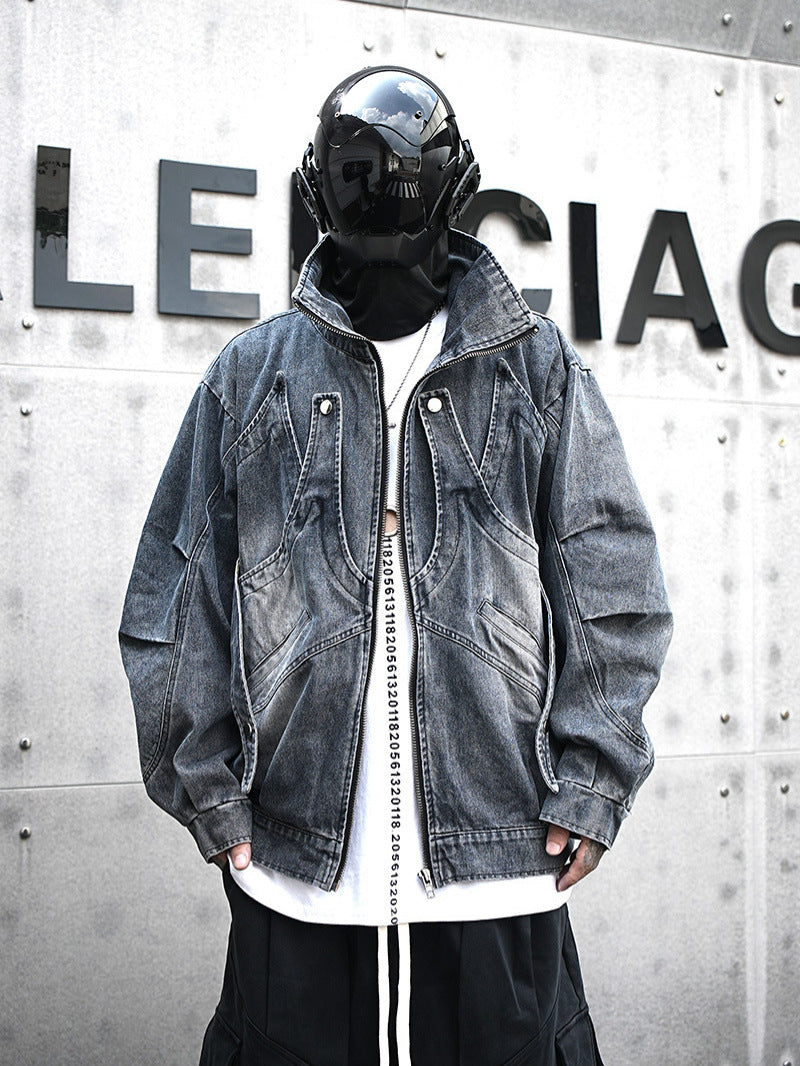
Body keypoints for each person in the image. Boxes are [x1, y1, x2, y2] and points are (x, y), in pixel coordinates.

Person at [119, 66, 673, 1066]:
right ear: (316, 188)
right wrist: (209, 789)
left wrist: (590, 778)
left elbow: (610, 587)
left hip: (499, 862)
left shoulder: (534, 371)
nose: (373, 197)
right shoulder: (250, 379)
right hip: (294, 874)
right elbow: (176, 594)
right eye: (353, 173)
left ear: (452, 188)